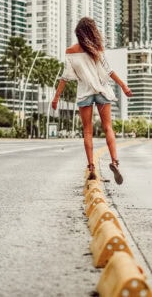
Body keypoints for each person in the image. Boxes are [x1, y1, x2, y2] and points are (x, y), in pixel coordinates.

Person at [51, 17, 133, 184]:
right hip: (102, 90)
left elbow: (65, 77)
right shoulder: (97, 49)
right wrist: (124, 86)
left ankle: (91, 167)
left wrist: (56, 97)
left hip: (84, 93)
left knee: (87, 131)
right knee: (108, 127)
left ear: (78, 32)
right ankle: (115, 161)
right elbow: (109, 71)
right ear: (92, 31)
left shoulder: (71, 51)